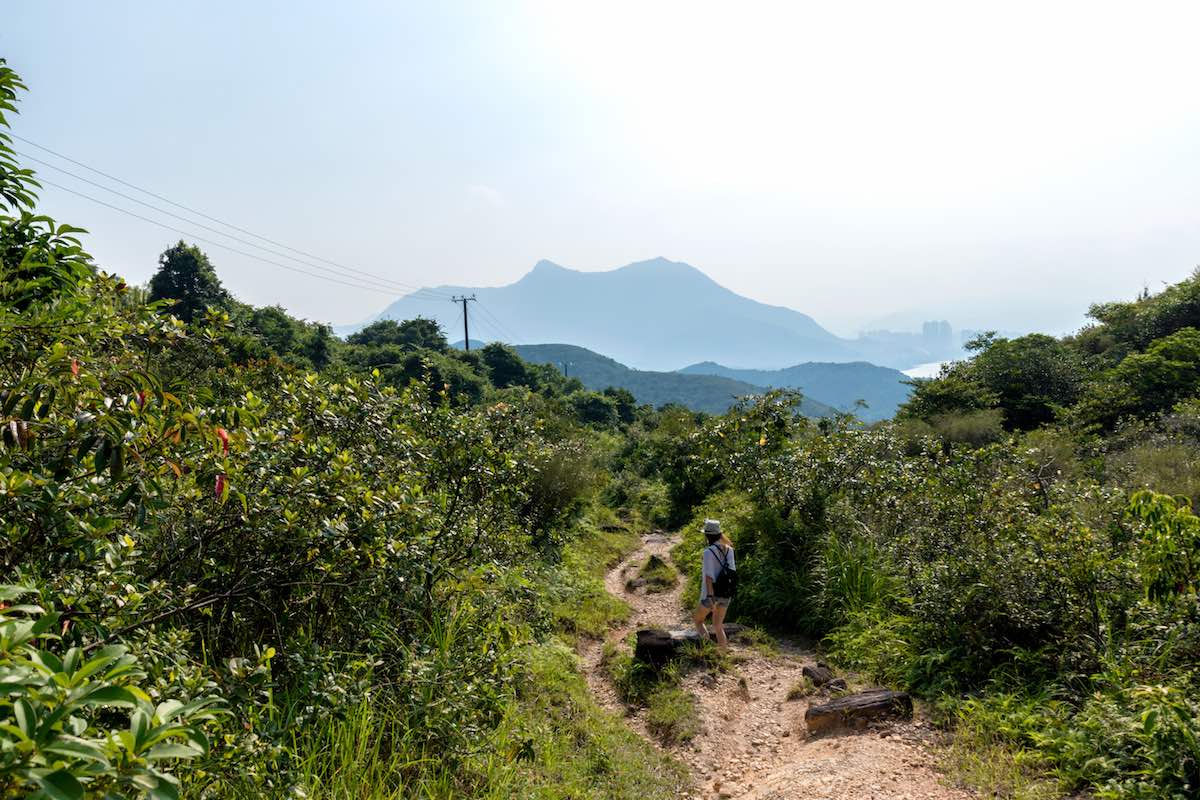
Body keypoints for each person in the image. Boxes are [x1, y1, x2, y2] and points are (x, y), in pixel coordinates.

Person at [693, 518, 735, 649]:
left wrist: (711, 598)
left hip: (711, 595)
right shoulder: (729, 549)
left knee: (698, 620)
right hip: (726, 593)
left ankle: (707, 650)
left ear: (707, 535)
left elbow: (709, 576)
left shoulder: (708, 552)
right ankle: (722, 654)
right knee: (718, 625)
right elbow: (732, 572)